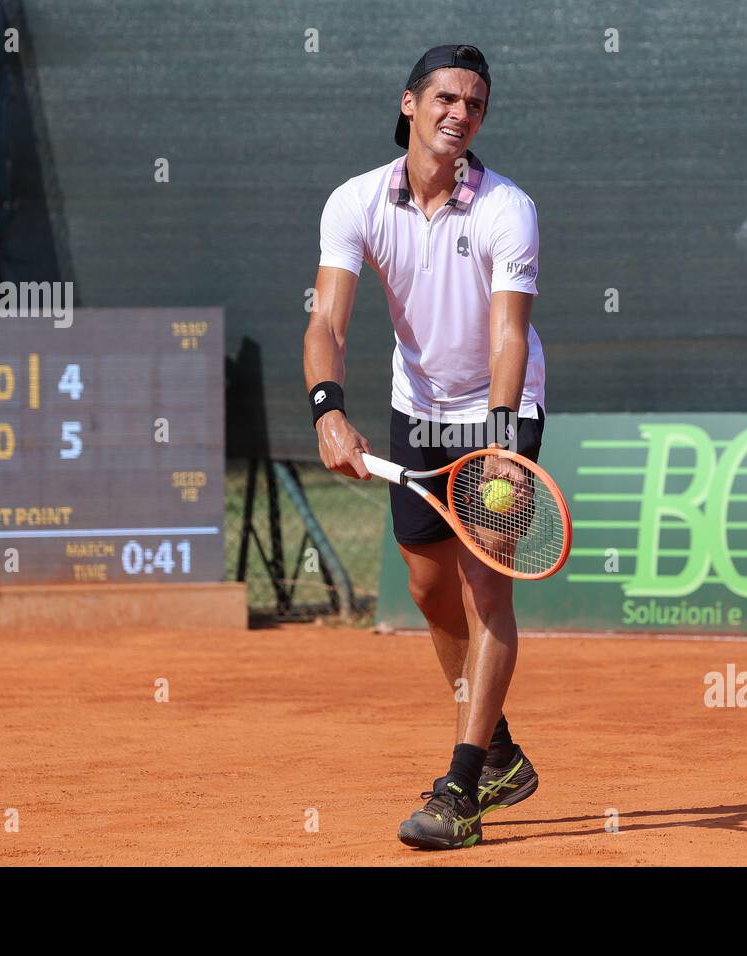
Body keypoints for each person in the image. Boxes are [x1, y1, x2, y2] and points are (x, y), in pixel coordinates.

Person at [304, 44, 546, 849]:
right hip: (419, 408)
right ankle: (504, 754)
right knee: (428, 588)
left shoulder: (507, 207)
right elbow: (328, 321)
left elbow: (508, 329)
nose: (460, 114)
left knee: (486, 592)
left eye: (474, 104)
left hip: (499, 411)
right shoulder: (355, 201)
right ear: (410, 104)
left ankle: (463, 785)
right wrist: (326, 411)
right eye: (445, 98)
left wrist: (505, 443)